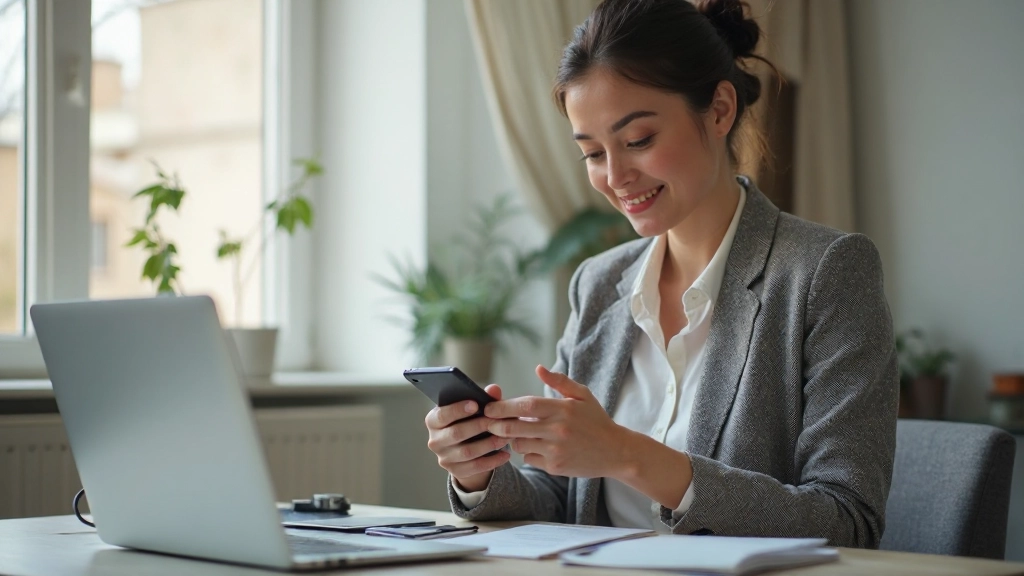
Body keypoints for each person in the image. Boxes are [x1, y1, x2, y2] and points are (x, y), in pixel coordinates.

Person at [423, 0, 897, 548]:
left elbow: (848, 521)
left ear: (720, 110)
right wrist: (478, 471)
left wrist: (628, 455)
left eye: (639, 140)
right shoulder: (599, 284)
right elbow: (559, 497)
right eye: (593, 153)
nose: (616, 176)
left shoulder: (825, 273)